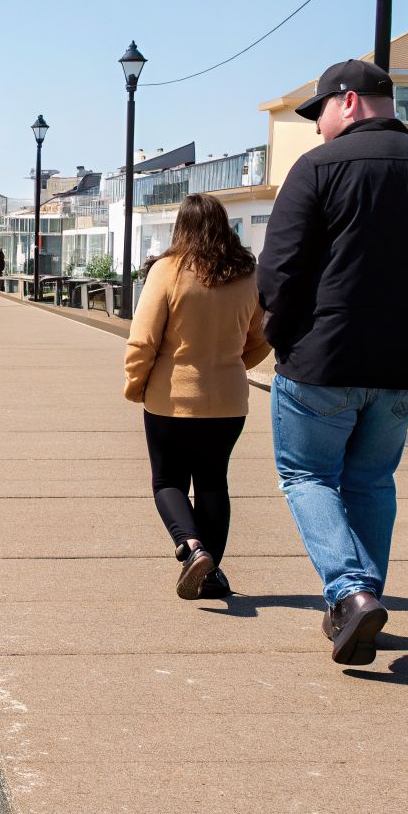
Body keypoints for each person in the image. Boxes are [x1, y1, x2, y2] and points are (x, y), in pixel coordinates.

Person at [259, 59, 408, 666]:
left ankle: (350, 593)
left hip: (323, 359)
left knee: (307, 476)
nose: (318, 127)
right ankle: (364, 603)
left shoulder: (318, 169)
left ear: (348, 102)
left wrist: (286, 339)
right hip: (405, 365)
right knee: (372, 481)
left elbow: (278, 271)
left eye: (320, 113)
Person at [124, 194, 270, 600]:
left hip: (171, 397)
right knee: (212, 483)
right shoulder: (247, 275)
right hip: (227, 401)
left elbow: (143, 340)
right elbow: (261, 339)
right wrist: (233, 364)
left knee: (167, 480)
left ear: (181, 228)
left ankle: (192, 547)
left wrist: (136, 384)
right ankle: (210, 574)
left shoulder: (168, 270)